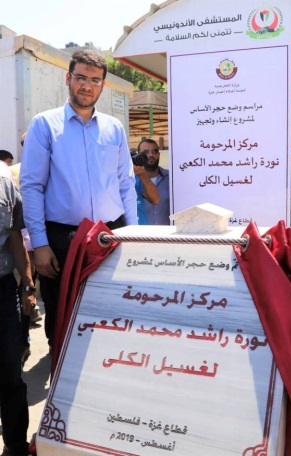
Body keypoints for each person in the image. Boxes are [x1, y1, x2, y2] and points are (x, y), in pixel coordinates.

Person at [20, 49, 137, 352]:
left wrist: (132, 234)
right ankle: (61, 376)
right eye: (81, 78)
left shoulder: (114, 127)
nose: (87, 86)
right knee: (62, 314)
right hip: (62, 238)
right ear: (68, 78)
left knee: (111, 310)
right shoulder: (45, 125)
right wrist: (40, 245)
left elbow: (126, 184)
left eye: (95, 80)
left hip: (111, 234)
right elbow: (31, 187)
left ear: (103, 85)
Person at [0, 160, 35, 456]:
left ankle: (15, 446)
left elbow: (14, 237)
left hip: (2, 289)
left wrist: (28, 286)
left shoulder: (3, 178)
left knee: (10, 373)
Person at [134, 138, 170, 225]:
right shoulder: (131, 181)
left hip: (168, 236)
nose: (151, 154)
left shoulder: (171, 178)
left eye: (154, 151)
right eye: (146, 152)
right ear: (138, 156)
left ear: (159, 154)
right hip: (142, 236)